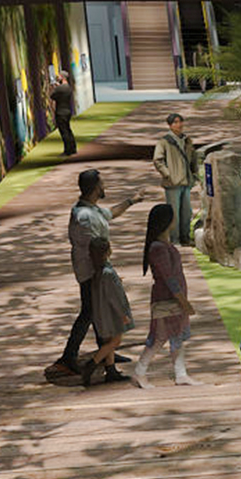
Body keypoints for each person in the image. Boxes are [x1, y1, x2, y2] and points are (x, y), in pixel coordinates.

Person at [55, 169, 144, 376]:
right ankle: (70, 356)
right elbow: (93, 249)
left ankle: (106, 351)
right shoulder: (84, 217)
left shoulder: (91, 210)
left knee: (96, 312)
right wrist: (104, 276)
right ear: (95, 188)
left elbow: (111, 213)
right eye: (102, 183)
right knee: (89, 312)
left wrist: (132, 201)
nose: (104, 186)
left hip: (97, 270)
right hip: (91, 273)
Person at [132, 204, 199, 388]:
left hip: (173, 298)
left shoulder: (163, 245)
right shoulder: (158, 248)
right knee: (159, 337)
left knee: (176, 336)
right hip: (166, 299)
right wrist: (183, 301)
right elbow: (168, 278)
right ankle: (140, 371)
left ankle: (181, 374)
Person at [81, 237, 133, 387]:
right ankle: (92, 364)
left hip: (101, 313)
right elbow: (114, 297)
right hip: (111, 314)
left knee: (108, 342)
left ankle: (111, 370)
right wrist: (123, 315)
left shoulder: (97, 271)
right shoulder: (108, 273)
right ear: (108, 251)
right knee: (115, 341)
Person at [152, 113, 202, 246]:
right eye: (175, 122)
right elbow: (158, 160)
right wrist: (168, 174)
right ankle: (174, 239)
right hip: (173, 183)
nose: (179, 125)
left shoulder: (187, 140)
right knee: (174, 213)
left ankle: (185, 237)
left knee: (187, 212)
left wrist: (195, 174)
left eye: (180, 121)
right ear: (170, 125)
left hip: (186, 181)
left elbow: (193, 159)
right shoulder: (164, 141)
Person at [50, 71, 76, 157]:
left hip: (60, 112)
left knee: (64, 131)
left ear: (63, 77)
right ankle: (73, 148)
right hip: (67, 111)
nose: (58, 77)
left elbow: (52, 96)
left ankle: (67, 150)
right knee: (68, 130)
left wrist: (55, 88)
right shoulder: (68, 87)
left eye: (60, 76)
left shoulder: (59, 89)